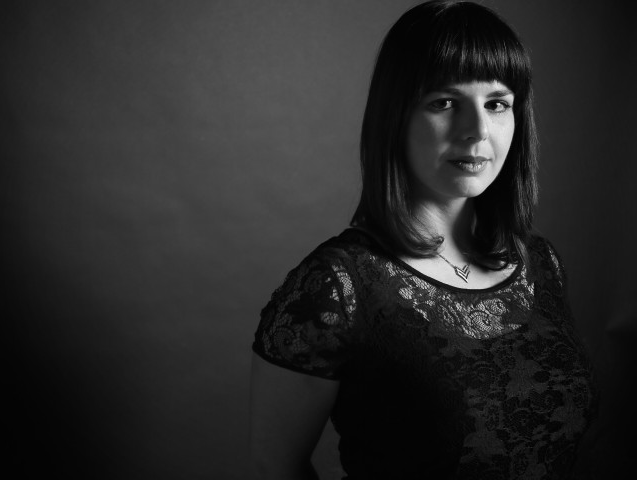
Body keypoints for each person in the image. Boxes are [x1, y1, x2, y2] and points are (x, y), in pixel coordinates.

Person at [249, 1, 598, 479]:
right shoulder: (337, 286)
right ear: (396, 116)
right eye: (444, 102)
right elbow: (273, 467)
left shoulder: (541, 262)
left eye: (497, 103)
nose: (477, 131)